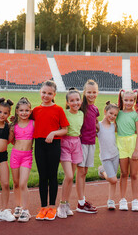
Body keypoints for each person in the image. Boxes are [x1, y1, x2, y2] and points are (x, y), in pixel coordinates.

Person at [33, 80, 69, 221]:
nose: (46, 95)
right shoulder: (35, 110)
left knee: (52, 176)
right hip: (39, 145)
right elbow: (23, 119)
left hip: (54, 145)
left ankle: (52, 207)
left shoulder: (58, 109)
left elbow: (65, 129)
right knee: (42, 177)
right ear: (40, 92)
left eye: (49, 93)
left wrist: (53, 133)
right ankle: (43, 208)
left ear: (54, 94)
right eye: (44, 92)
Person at [57, 88, 84, 219]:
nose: (75, 103)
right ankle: (61, 205)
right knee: (68, 175)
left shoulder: (81, 114)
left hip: (76, 144)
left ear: (81, 100)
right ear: (67, 102)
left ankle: (66, 203)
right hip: (65, 144)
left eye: (77, 100)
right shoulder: (64, 113)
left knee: (71, 177)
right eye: (72, 101)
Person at [116, 89, 138, 212]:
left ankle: (135, 201)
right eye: (126, 100)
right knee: (123, 173)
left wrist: (136, 150)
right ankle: (122, 200)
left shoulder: (137, 115)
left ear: (135, 101)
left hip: (133, 144)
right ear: (122, 100)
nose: (128, 102)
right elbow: (115, 128)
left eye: (131, 100)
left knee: (134, 174)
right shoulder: (118, 113)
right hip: (121, 144)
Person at [76, 80, 99, 213]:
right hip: (82, 143)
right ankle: (80, 202)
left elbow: (96, 125)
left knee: (84, 172)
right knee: (80, 172)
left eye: (94, 92)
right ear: (84, 92)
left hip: (91, 143)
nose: (92, 94)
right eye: (89, 92)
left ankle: (82, 200)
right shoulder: (80, 106)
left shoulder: (95, 109)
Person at [10, 97, 34, 222]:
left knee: (23, 183)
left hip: (27, 156)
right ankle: (18, 206)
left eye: (27, 110)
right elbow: (10, 140)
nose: (24, 113)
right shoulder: (14, 125)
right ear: (17, 111)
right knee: (15, 183)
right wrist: (9, 126)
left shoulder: (33, 123)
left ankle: (26, 210)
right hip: (15, 155)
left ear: (30, 111)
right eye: (21, 110)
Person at [96, 101, 120, 210]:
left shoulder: (114, 125)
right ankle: (102, 171)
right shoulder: (98, 126)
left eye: (115, 115)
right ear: (105, 112)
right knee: (113, 179)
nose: (112, 116)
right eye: (110, 113)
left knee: (112, 180)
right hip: (105, 157)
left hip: (115, 155)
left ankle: (111, 201)